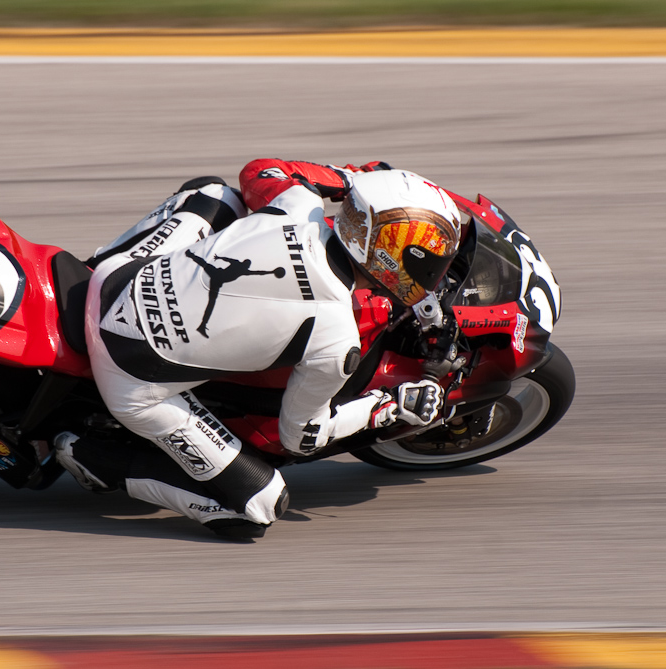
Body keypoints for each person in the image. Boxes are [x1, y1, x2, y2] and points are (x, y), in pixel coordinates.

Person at [55, 159, 463, 539]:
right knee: (259, 505)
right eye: (432, 262)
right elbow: (302, 439)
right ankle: (95, 460)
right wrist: (391, 406)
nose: (435, 273)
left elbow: (259, 171)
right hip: (129, 380)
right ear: (394, 258)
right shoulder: (337, 339)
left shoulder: (298, 203)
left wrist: (345, 179)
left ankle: (87, 271)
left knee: (214, 193)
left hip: (114, 277)